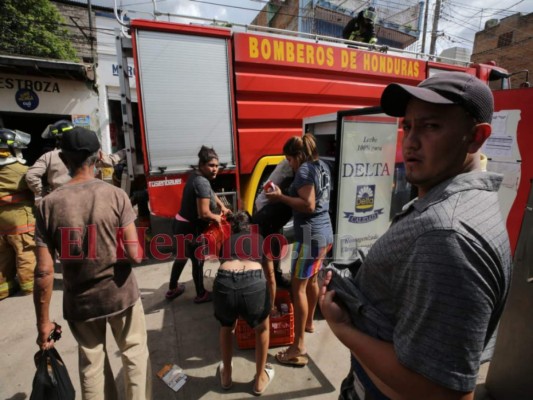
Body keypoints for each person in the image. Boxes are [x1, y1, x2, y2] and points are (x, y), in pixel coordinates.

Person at [319, 71, 512, 399]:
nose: (410, 140)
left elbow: (443, 392)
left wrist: (343, 328)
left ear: (476, 138)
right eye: (407, 126)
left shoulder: (447, 235)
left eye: (431, 126)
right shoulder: (444, 199)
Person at [33, 127, 151, 399]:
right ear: (98, 156)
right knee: (134, 355)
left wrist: (43, 323)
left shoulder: (47, 206)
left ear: (64, 159)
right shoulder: (116, 196)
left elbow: (43, 271)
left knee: (91, 365)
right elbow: (135, 255)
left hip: (80, 303)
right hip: (120, 295)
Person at [266, 133, 333, 366]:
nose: (290, 165)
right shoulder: (322, 166)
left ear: (298, 155)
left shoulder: (305, 170)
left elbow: (308, 204)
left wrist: (280, 197)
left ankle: (298, 346)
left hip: (310, 238)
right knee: (312, 281)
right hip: (325, 234)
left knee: (298, 288)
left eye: (290, 160)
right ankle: (310, 323)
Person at [213, 210, 275, 395]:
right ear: (251, 226)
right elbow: (270, 276)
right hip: (253, 282)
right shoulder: (261, 239)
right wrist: (270, 303)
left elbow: (228, 273)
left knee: (226, 326)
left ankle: (227, 376)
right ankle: (259, 381)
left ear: (233, 228)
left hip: (224, 281)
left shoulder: (225, 244)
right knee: (262, 328)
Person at [166, 145, 231, 303]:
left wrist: (222, 206)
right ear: (202, 165)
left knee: (181, 258)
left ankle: (172, 289)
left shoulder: (197, 177)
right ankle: (201, 294)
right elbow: (203, 214)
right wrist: (218, 218)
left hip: (180, 224)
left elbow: (209, 193)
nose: (215, 169)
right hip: (191, 229)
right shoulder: (201, 182)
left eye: (216, 166)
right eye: (211, 165)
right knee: (198, 260)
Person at [25, 120, 126, 202]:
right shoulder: (89, 152)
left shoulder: (49, 156)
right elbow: (109, 161)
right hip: (89, 197)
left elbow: (31, 176)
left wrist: (44, 194)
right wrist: (126, 151)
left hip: (61, 199)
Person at [0, 128, 36, 299]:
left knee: (3, 256)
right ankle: (29, 286)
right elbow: (36, 185)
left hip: (1, 221)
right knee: (26, 251)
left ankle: (3, 289)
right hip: (19, 218)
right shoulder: (19, 170)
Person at [253, 158, 294, 290]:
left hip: (270, 215)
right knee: (269, 255)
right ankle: (268, 286)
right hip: (266, 217)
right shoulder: (288, 168)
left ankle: (275, 277)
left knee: (275, 249)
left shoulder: (291, 168)